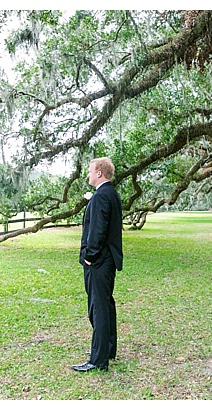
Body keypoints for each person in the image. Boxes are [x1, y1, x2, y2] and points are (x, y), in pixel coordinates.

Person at [74, 157, 123, 372]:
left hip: (100, 261)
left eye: (90, 171)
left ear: (100, 173)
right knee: (105, 304)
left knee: (99, 307)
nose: (88, 175)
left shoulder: (102, 196)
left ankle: (98, 358)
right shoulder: (109, 193)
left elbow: (97, 230)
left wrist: (89, 256)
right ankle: (107, 348)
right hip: (107, 259)